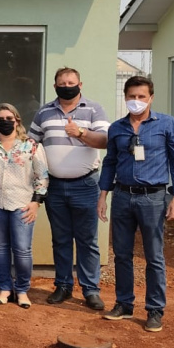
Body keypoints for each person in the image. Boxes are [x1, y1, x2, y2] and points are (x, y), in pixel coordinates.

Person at [98, 75, 174, 333]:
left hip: (153, 198)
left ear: (151, 98)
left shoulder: (168, 124)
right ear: (125, 97)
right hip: (122, 196)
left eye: (141, 97)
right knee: (121, 254)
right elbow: (110, 162)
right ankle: (124, 304)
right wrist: (103, 196)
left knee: (154, 256)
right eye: (132, 96)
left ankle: (155, 310)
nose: (136, 101)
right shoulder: (116, 128)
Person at [29, 67, 109, 310]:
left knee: (87, 240)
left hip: (85, 185)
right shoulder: (44, 112)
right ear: (55, 86)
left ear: (80, 84)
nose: (67, 86)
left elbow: (105, 141)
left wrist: (81, 132)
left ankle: (90, 290)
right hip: (54, 186)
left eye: (71, 82)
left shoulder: (94, 109)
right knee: (61, 239)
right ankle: (63, 286)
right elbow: (31, 143)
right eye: (62, 83)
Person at [0, 104, 48, 309]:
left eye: (9, 118)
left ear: (17, 120)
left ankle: (22, 290)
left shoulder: (31, 145)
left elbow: (42, 176)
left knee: (22, 249)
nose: (5, 122)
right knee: (1, 248)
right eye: (0, 119)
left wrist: (36, 202)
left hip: (23, 203)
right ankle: (4, 288)